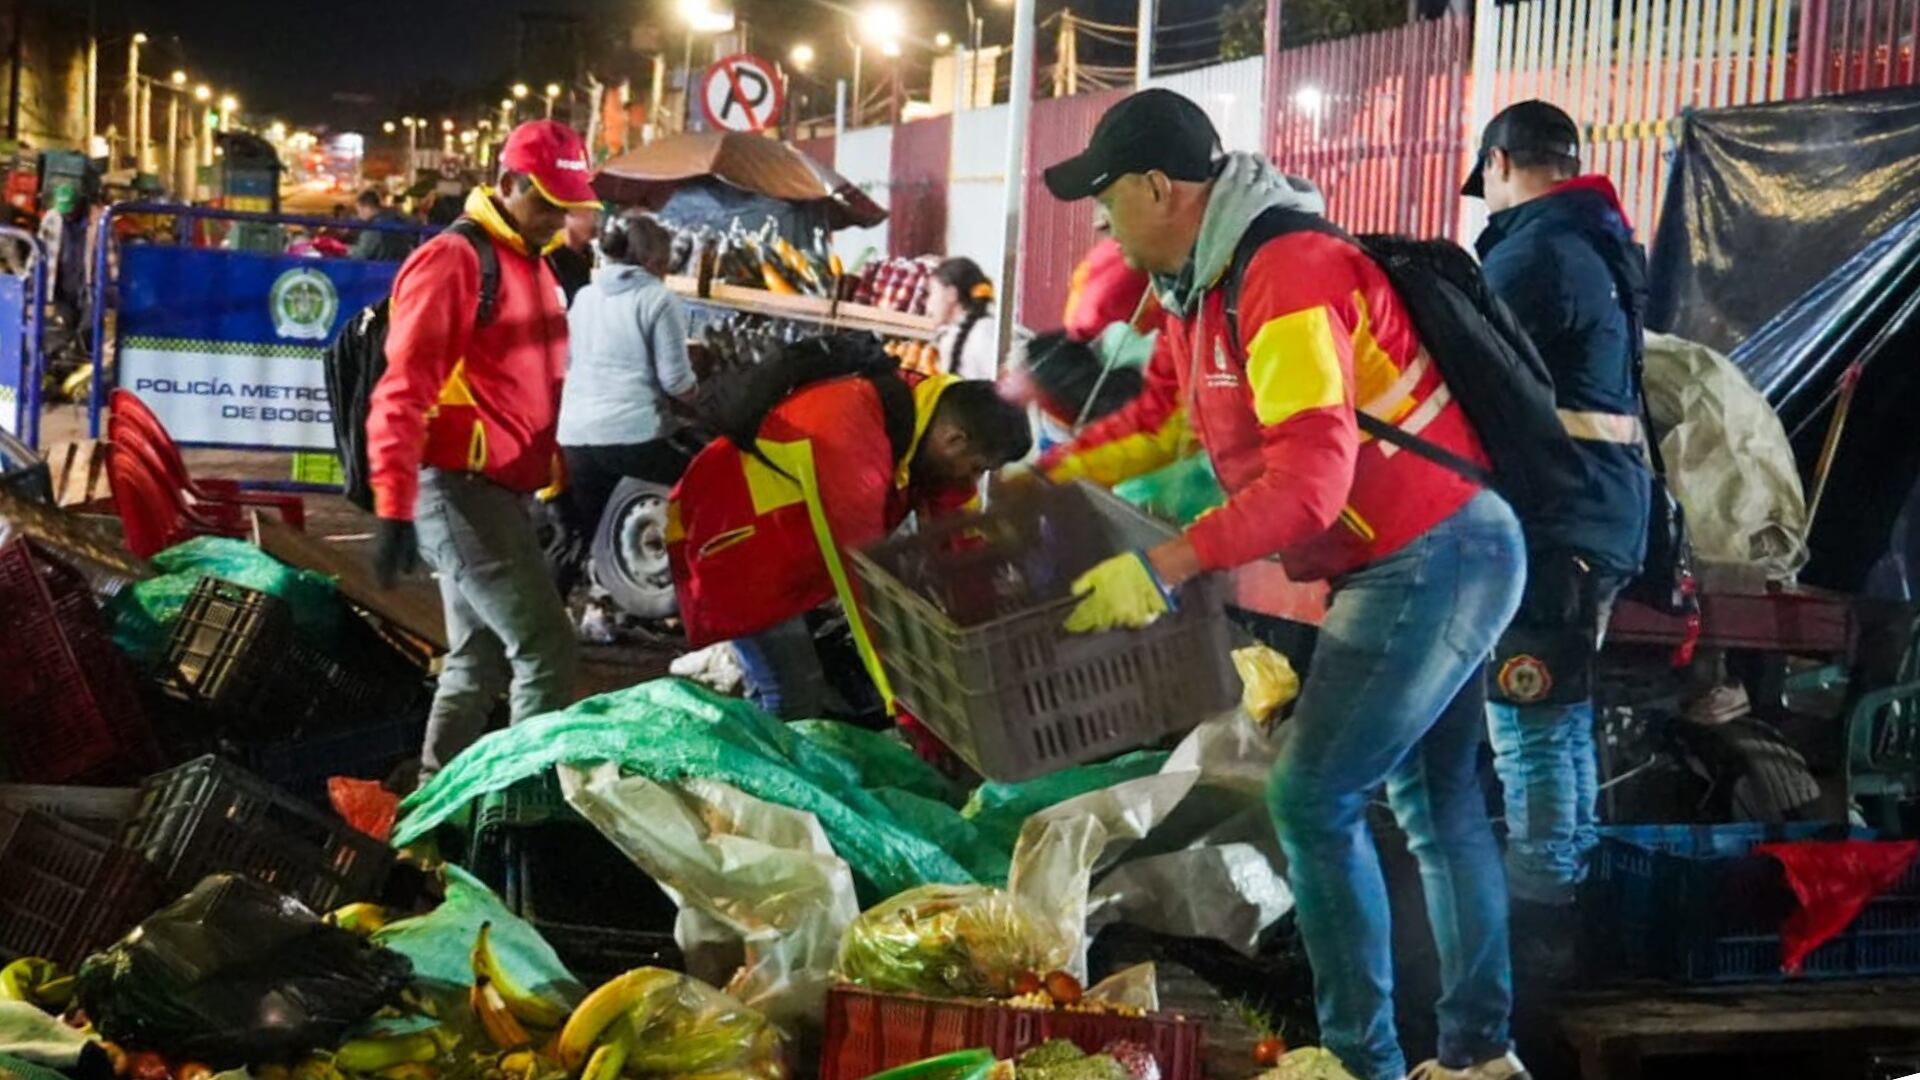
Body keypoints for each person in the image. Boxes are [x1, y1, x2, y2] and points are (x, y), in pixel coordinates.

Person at [1034, 89, 1529, 1080]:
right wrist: (1043, 477)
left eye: (1105, 199)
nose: (1099, 223)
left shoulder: (1288, 274)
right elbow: (1166, 424)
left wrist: (1165, 567)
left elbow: (1308, 487)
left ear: (1156, 187)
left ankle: (1361, 1062)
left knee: (1312, 798)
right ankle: (1479, 1056)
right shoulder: (1207, 288)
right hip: (1424, 553)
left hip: (1434, 553)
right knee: (1437, 809)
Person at [1464, 101, 1652, 959]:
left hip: (1559, 517)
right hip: (1594, 510)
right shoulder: (1591, 242)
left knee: (1530, 715)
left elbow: (1471, 369)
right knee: (1558, 716)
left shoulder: (1538, 252)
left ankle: (1542, 922)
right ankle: (1560, 895)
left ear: (1500, 163)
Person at [364, 120, 602, 781]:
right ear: (505, 183)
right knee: (548, 648)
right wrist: (391, 506)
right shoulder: (457, 260)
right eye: (545, 201)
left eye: (567, 203)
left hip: (496, 490)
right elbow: (401, 390)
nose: (557, 217)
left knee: (478, 657)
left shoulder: (533, 261)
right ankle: (517, 806)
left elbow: (527, 383)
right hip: (456, 489)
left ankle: (436, 796)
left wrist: (550, 479)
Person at [667, 334, 1031, 719]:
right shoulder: (854, 444)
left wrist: (982, 618)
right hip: (738, 547)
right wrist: (906, 708)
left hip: (789, 548)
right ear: (954, 440)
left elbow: (957, 526)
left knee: (795, 685)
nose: (971, 479)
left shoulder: (929, 407)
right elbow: (863, 588)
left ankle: (766, 750)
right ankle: (756, 776)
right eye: (977, 467)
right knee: (792, 691)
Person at [556, 209, 697, 574]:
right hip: (634, 436)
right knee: (705, 486)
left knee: (594, 534)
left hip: (576, 436)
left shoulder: (585, 296)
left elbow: (568, 362)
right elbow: (676, 382)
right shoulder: (657, 299)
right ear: (653, 259)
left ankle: (580, 603)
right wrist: (704, 400)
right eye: (666, 262)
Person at [925, 257, 998, 380]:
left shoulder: (985, 333)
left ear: (951, 294)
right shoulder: (950, 334)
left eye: (932, 293)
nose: (928, 304)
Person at [548, 206, 599, 305]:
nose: (595, 222)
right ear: (567, 218)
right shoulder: (551, 258)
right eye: (590, 215)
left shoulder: (590, 253)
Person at [349, 189, 415, 261]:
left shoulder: (374, 227)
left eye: (358, 211)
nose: (359, 216)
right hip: (400, 265)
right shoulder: (397, 219)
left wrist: (349, 250)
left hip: (378, 268)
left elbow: (362, 254)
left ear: (366, 208)